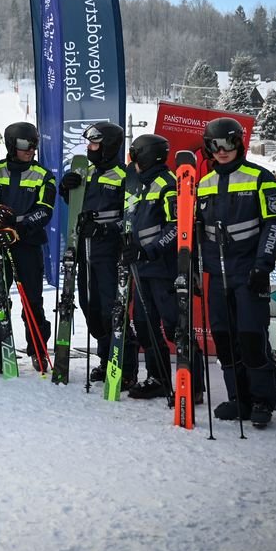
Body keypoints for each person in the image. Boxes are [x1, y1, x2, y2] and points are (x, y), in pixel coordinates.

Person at [196, 117, 276, 428]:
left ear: (239, 144)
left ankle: (262, 399)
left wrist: (263, 265)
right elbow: (195, 232)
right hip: (217, 273)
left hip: (248, 272)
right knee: (224, 338)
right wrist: (193, 271)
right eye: (214, 145)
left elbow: (274, 224)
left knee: (250, 336)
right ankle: (239, 398)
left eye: (228, 143)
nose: (222, 151)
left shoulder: (261, 178)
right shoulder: (203, 183)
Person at [120, 133, 204, 401]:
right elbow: (132, 220)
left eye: (135, 154)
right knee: (144, 325)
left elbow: (177, 226)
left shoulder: (168, 184)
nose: (132, 159)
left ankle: (193, 383)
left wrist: (149, 250)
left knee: (175, 326)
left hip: (164, 268)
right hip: (141, 268)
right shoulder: (139, 184)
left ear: (145, 155)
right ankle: (158, 378)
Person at [0, 122, 55, 372]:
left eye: (34, 145)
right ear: (11, 145)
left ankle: (37, 348)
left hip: (27, 244)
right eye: (24, 145)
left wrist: (19, 230)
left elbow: (45, 211)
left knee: (32, 299)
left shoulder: (42, 175)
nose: (30, 150)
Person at [59, 122, 135, 385]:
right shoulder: (87, 172)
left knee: (112, 308)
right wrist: (67, 190)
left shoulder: (124, 176)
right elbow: (77, 205)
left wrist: (105, 229)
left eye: (94, 144)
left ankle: (124, 365)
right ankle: (106, 358)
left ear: (109, 146)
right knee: (90, 306)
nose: (89, 148)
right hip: (86, 250)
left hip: (110, 251)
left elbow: (132, 217)